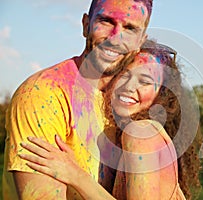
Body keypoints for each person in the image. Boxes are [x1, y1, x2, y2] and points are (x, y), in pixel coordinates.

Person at [3, 0, 153, 199]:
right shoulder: (43, 95)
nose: (115, 38)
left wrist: (77, 177)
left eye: (130, 28)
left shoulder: (132, 104)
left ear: (140, 41)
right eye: (106, 21)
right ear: (85, 25)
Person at [19, 41, 202, 199]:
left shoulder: (140, 134)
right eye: (125, 75)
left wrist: (75, 175)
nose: (129, 87)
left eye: (144, 81)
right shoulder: (147, 134)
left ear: (161, 96)